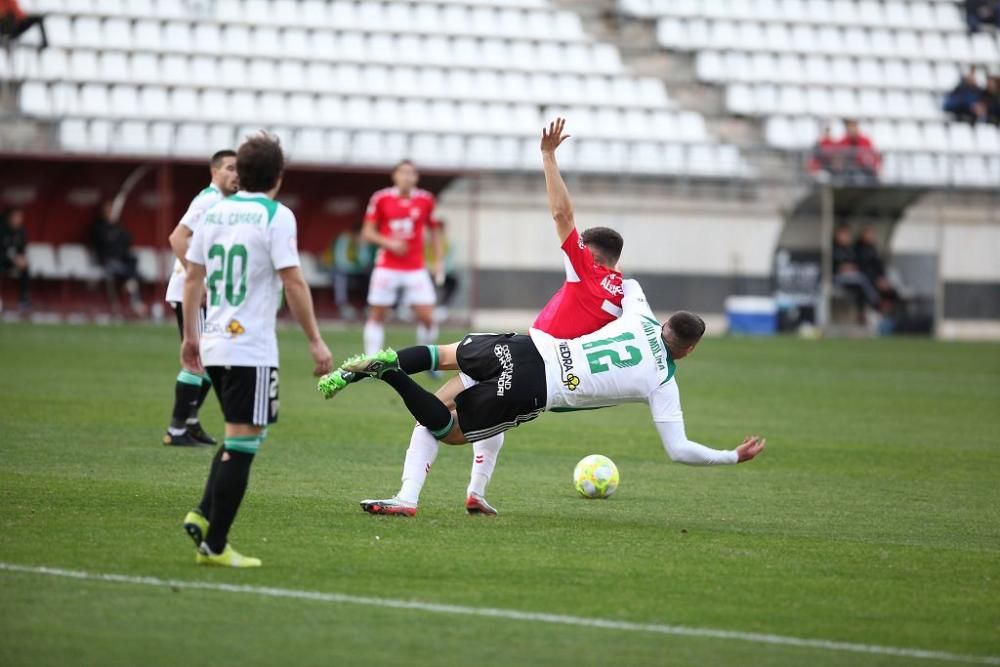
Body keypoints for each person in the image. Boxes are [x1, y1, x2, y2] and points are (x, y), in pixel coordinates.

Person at [333, 119, 628, 517]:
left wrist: (547, 155)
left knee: (441, 411)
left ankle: (407, 487)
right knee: (473, 415)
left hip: (519, 350)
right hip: (538, 370)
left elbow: (562, 213)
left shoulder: (585, 271)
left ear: (591, 256)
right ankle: (470, 492)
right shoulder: (624, 297)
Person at [318, 280, 766, 502]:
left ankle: (373, 367)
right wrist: (731, 456)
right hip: (538, 385)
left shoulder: (640, 315)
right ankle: (388, 373)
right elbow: (679, 449)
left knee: (441, 354)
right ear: (687, 351)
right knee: (449, 431)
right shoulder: (663, 379)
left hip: (527, 342)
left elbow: (627, 283)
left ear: (665, 323)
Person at [179, 132, 333, 567]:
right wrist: (316, 341)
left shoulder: (214, 212)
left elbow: (193, 278)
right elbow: (293, 280)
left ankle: (204, 512)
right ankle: (215, 545)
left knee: (243, 433)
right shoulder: (276, 215)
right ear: (278, 177)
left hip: (213, 341)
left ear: (239, 172)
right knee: (244, 441)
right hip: (250, 346)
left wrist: (191, 336)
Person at [161, 149, 238, 447]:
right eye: (230, 168)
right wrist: (201, 278)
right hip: (190, 290)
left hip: (199, 291)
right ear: (214, 171)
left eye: (239, 170)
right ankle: (177, 428)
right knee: (199, 359)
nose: (236, 175)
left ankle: (190, 422)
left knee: (210, 357)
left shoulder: (223, 203)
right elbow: (177, 238)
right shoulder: (208, 200)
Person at [360, 160, 445, 359]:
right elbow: (367, 231)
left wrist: (439, 260)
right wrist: (389, 243)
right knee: (377, 314)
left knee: (427, 317)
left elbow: (434, 231)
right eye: (403, 172)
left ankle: (426, 359)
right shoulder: (381, 198)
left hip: (415, 267)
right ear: (395, 175)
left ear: (416, 177)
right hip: (387, 265)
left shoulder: (426, 200)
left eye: (411, 173)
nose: (407, 177)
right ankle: (372, 361)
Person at [92, 200, 144, 316]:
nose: (111, 213)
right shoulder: (99, 227)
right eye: (109, 211)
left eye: (113, 211)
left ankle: (130, 287)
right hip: (107, 262)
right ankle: (134, 298)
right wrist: (113, 235)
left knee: (133, 261)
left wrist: (115, 232)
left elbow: (127, 241)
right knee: (132, 274)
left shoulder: (118, 226)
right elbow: (105, 246)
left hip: (121, 263)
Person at [832, 224, 881, 318]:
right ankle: (875, 301)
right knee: (863, 279)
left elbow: (860, 264)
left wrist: (852, 267)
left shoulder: (851, 249)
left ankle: (866, 313)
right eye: (843, 234)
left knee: (861, 289)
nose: (846, 237)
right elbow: (830, 265)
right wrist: (841, 267)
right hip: (838, 278)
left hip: (853, 278)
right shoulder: (833, 248)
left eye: (847, 235)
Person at [330, 225, 374, 321]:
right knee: (340, 275)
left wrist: (362, 246)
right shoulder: (344, 240)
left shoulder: (361, 241)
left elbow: (364, 260)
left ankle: (367, 305)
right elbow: (341, 261)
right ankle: (343, 305)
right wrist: (356, 268)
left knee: (369, 275)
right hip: (337, 267)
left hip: (354, 269)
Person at [854, 226, 898, 313]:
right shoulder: (858, 249)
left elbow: (879, 264)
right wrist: (876, 279)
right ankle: (876, 308)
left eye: (871, 234)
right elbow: (862, 266)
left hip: (877, 277)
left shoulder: (873, 248)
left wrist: (882, 277)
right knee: (866, 285)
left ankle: (889, 308)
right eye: (868, 234)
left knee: (892, 279)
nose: (870, 236)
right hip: (868, 277)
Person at [0, 207, 30, 312]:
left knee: (25, 267)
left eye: (20, 217)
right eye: (16, 217)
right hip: (2, 259)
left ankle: (24, 300)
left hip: (11, 261)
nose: (19, 219)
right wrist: (13, 258)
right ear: (10, 217)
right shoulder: (2, 228)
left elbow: (22, 249)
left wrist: (21, 258)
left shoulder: (21, 231)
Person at [836, 119, 880, 184]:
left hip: (864, 168)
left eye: (853, 126)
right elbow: (837, 158)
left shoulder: (866, 141)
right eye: (849, 127)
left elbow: (873, 157)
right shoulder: (842, 142)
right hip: (848, 169)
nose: (852, 129)